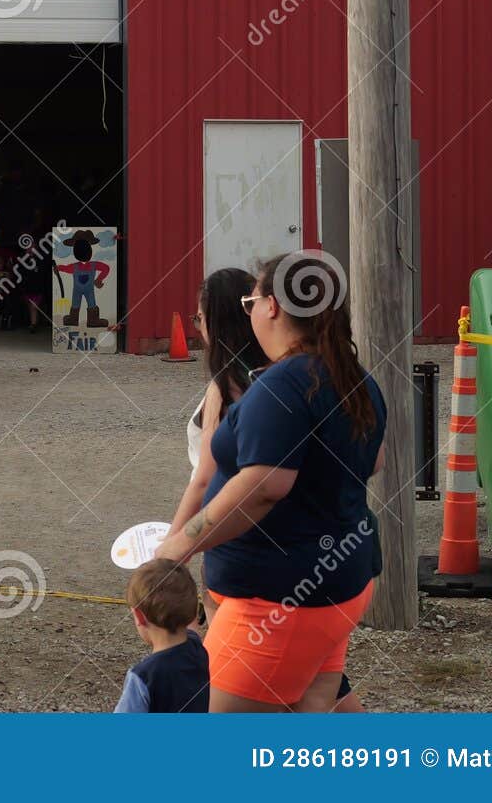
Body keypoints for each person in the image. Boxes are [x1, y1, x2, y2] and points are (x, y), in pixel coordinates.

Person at [156, 252, 387, 713]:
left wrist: (178, 545)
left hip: (279, 601)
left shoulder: (281, 385)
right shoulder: (352, 376)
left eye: (251, 301)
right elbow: (374, 460)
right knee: (310, 718)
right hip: (338, 580)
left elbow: (263, 487)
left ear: (274, 307)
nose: (250, 313)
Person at [168, 268, 266, 535]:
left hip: (227, 525)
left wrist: (171, 546)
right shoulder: (279, 374)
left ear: (217, 322)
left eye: (200, 319)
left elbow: (204, 479)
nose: (199, 329)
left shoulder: (224, 387)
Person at [113, 558, 209, 713]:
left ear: (139, 616)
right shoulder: (197, 648)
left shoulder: (142, 676)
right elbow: (192, 626)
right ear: (194, 610)